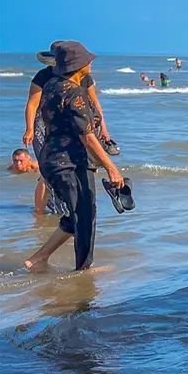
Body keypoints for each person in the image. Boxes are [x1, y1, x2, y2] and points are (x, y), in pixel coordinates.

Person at [26, 42, 125, 272]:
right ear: (77, 65)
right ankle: (83, 269)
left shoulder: (52, 85)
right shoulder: (74, 92)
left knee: (78, 214)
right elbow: (87, 136)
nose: (91, 63)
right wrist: (111, 167)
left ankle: (39, 259)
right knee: (84, 216)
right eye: (87, 60)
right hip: (68, 161)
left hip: (54, 159)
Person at [24, 44, 114, 216]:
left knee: (78, 170)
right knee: (47, 173)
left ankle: (66, 211)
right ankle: (39, 214)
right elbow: (33, 104)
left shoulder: (83, 77)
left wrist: (104, 129)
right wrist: (29, 129)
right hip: (46, 125)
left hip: (76, 124)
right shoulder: (44, 76)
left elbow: (94, 104)